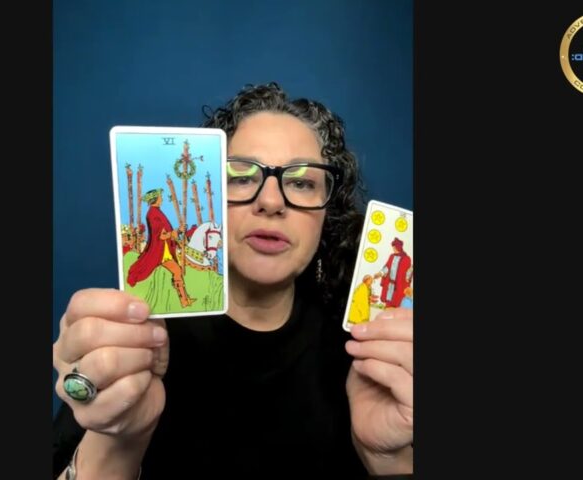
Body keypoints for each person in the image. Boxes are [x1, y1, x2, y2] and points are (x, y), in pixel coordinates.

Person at [53, 83, 413, 479]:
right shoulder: (137, 340)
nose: (271, 202)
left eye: (301, 182)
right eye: (241, 177)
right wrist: (117, 443)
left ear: (328, 212)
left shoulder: (367, 350)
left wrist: (387, 459)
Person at [126, 188, 195, 307]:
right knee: (177, 271)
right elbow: (161, 236)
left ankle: (185, 299)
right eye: (160, 197)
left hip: (166, 248)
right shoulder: (153, 214)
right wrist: (177, 231)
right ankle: (184, 301)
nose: (162, 199)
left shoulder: (156, 212)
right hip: (160, 251)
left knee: (178, 270)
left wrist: (178, 232)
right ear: (156, 199)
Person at [374, 237, 412, 308]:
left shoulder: (406, 258)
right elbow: (387, 267)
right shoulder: (391, 256)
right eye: (393, 248)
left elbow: (408, 272)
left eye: (394, 248)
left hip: (399, 284)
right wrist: (380, 274)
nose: (393, 249)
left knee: (397, 301)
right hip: (390, 283)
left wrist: (408, 277)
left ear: (399, 247)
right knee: (388, 299)